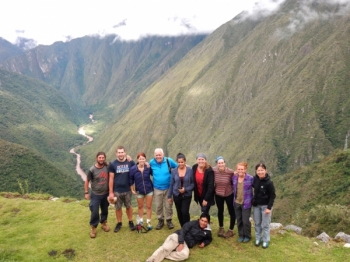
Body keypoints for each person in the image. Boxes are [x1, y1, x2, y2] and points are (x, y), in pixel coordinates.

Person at [145, 213, 212, 262]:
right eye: (202, 220)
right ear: (199, 220)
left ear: (208, 222)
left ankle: (165, 255)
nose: (203, 223)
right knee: (166, 248)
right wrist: (181, 242)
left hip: (186, 244)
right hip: (178, 236)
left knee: (185, 255)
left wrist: (204, 243)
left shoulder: (207, 232)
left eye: (205, 221)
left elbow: (209, 239)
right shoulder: (193, 223)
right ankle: (151, 260)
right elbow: (183, 230)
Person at [108, 146, 136, 232]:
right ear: (116, 153)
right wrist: (111, 192)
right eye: (119, 152)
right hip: (117, 190)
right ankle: (119, 223)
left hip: (127, 189)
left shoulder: (130, 162)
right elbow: (111, 178)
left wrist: (146, 164)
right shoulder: (113, 164)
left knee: (129, 206)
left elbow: (138, 170)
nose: (120, 154)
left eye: (122, 152)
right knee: (118, 208)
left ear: (125, 153)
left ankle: (130, 221)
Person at [150, 148, 178, 230]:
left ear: (163, 155)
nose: (158, 156)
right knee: (158, 205)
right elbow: (145, 166)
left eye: (160, 155)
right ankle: (160, 220)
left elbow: (178, 167)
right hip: (157, 188)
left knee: (168, 205)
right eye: (156, 155)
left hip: (168, 187)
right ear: (154, 156)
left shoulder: (169, 161)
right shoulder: (151, 162)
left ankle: (169, 220)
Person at [84, 151, 110, 238]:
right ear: (96, 158)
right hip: (95, 194)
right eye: (100, 158)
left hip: (106, 194)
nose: (101, 159)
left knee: (105, 210)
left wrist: (128, 159)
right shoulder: (92, 170)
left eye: (103, 158)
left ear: (104, 158)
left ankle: (103, 223)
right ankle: (93, 228)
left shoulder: (107, 166)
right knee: (94, 211)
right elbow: (87, 181)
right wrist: (86, 192)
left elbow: (116, 165)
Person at [253, 163, 276, 249]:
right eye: (258, 170)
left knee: (265, 225)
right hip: (256, 206)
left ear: (265, 170)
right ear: (256, 171)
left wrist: (269, 208)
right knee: (257, 223)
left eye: (262, 170)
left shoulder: (269, 182)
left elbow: (272, 196)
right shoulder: (255, 179)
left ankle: (266, 240)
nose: (260, 172)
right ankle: (258, 238)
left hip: (265, 206)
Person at [168, 153, 194, 227]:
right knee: (179, 212)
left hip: (187, 195)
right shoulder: (174, 171)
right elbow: (172, 184)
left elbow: (193, 184)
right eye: (179, 162)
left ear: (185, 161)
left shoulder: (190, 171)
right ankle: (183, 227)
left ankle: (187, 226)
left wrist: (185, 189)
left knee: (185, 212)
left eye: (182, 162)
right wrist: (169, 196)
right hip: (176, 195)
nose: (180, 163)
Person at [213, 156, 236, 238]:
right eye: (219, 163)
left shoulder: (230, 172)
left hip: (229, 193)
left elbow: (236, 178)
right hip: (218, 194)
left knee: (231, 211)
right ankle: (221, 227)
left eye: (222, 163)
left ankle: (231, 230)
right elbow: (206, 169)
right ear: (216, 164)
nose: (221, 164)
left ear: (225, 163)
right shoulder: (214, 170)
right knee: (220, 211)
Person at [130, 152, 154, 229]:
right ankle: (140, 222)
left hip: (149, 190)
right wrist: (132, 189)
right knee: (140, 206)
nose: (141, 160)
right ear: (137, 159)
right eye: (140, 159)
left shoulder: (148, 167)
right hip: (139, 191)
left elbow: (153, 174)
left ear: (145, 159)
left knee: (148, 206)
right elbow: (131, 180)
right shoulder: (133, 169)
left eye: (143, 159)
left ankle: (148, 222)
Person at [232, 162, 254, 243]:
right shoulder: (234, 178)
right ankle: (241, 235)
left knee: (245, 221)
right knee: (239, 220)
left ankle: (247, 235)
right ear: (236, 170)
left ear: (245, 170)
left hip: (246, 203)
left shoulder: (250, 178)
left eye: (242, 169)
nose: (240, 171)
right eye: (239, 169)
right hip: (236, 202)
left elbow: (257, 186)